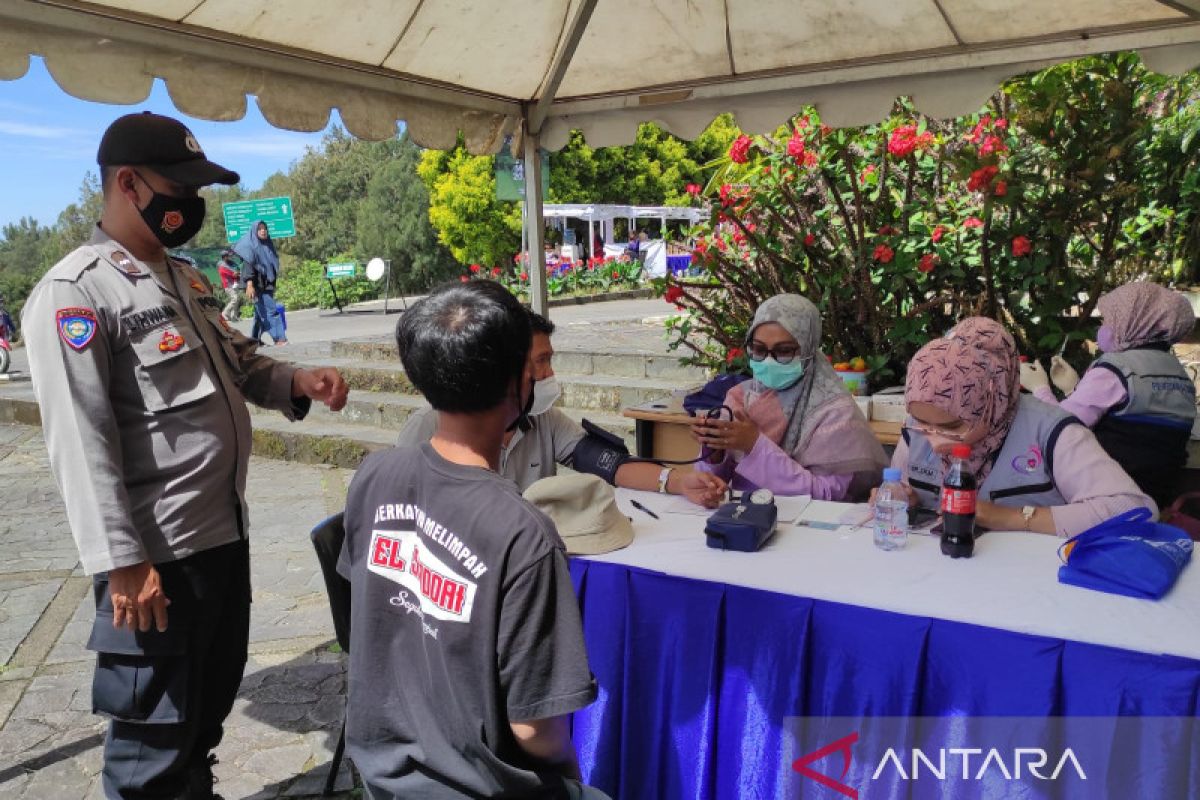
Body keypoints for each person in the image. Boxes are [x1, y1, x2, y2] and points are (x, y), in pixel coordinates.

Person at [20, 111, 350, 800]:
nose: (192, 204)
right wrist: (123, 561)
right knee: (151, 751)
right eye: (182, 187)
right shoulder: (74, 294)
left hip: (220, 542)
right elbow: (80, 444)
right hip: (153, 565)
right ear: (127, 183)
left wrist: (295, 382)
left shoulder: (183, 279)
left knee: (200, 721)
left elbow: (238, 364)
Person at [339, 280, 608, 799]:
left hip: (382, 773)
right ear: (517, 381)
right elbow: (537, 731)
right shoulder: (524, 535)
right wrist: (570, 780)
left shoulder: (374, 475)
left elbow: (374, 609)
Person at [397, 308, 728, 507]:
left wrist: (679, 482)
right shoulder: (430, 429)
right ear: (506, 367)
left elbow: (609, 464)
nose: (549, 374)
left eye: (550, 360)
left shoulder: (543, 419)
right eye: (541, 362)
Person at [893, 317, 1154, 537]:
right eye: (923, 424)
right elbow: (901, 488)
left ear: (993, 400)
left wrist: (1010, 518)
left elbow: (1135, 511)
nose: (935, 443)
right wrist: (904, 499)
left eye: (952, 425)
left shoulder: (1053, 431)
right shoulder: (916, 427)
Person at [690, 294, 888, 499]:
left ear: (808, 350)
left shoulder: (835, 411)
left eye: (784, 351)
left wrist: (754, 445)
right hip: (745, 515)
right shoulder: (742, 397)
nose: (768, 361)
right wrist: (714, 451)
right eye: (758, 349)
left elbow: (827, 493)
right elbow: (711, 481)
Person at [1020, 282, 1196, 506]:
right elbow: (1134, 428)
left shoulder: (1116, 368)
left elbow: (1061, 428)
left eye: (1108, 321)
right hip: (1156, 497)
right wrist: (1073, 388)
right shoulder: (1179, 374)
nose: (1101, 329)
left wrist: (1039, 388)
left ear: (1133, 321)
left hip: (1106, 495)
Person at [234, 220, 287, 345]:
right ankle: (279, 338)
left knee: (259, 314)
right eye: (260, 229)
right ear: (254, 232)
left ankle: (254, 341)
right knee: (272, 311)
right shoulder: (250, 247)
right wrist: (250, 285)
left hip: (266, 284)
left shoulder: (267, 245)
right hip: (256, 286)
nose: (263, 231)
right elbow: (248, 268)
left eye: (264, 229)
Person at [217, 249, 243, 321]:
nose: (229, 257)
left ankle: (234, 316)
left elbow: (236, 271)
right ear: (224, 257)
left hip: (234, 284)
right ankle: (224, 313)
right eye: (227, 256)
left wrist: (238, 273)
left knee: (236, 300)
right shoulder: (222, 266)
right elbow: (234, 274)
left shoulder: (230, 263)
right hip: (228, 285)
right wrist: (238, 273)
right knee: (235, 299)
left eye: (229, 255)